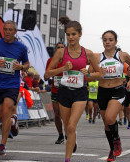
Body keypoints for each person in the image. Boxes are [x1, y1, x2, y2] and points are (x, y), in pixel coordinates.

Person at [44, 16, 101, 162]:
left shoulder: (87, 53)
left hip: (80, 92)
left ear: (80, 34)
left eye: (73, 34)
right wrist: (63, 68)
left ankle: (67, 159)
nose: (70, 37)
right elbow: (47, 74)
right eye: (68, 34)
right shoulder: (61, 52)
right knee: (67, 128)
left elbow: (99, 73)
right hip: (64, 91)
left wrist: (88, 74)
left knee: (70, 127)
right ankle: (72, 140)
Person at [89, 30, 130, 161]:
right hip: (102, 91)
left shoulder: (122, 55)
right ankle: (112, 150)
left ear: (116, 41)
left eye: (110, 39)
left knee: (110, 118)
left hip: (117, 90)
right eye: (105, 39)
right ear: (102, 41)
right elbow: (89, 75)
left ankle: (117, 140)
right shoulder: (97, 57)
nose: (107, 42)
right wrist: (98, 73)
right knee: (106, 124)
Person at [0, 20, 30, 155]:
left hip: (12, 85)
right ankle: (12, 121)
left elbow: (27, 63)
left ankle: (2, 145)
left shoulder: (20, 47)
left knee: (7, 109)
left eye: (10, 30)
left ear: (15, 32)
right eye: (6, 29)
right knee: (1, 117)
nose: (8, 32)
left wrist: (20, 67)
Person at [44, 42, 66, 144]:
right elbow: (46, 76)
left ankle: (68, 132)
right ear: (55, 49)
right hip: (56, 90)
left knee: (66, 114)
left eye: (62, 47)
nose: (60, 49)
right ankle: (60, 135)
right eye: (58, 47)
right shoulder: (50, 60)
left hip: (67, 89)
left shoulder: (68, 60)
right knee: (57, 114)